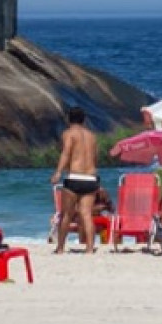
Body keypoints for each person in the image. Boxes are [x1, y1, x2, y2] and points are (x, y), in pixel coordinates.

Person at [51, 106, 102, 253]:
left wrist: (58, 172)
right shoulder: (92, 136)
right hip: (91, 178)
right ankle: (90, 248)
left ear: (68, 119)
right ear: (84, 119)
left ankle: (60, 248)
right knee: (86, 214)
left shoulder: (69, 133)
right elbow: (95, 157)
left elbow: (66, 153)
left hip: (74, 177)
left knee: (66, 214)